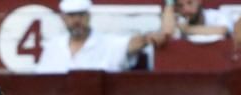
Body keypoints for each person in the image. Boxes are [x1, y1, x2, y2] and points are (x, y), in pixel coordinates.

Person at [35, 0, 165, 73]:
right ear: (63, 19)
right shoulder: (53, 47)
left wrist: (147, 38)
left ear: (88, 16)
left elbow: (131, 44)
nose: (76, 21)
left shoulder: (108, 44)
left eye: (80, 15)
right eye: (71, 16)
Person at [160, 0, 234, 41]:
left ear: (199, 1)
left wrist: (187, 29)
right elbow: (167, 33)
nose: (186, 10)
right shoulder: (178, 21)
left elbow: (222, 30)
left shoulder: (217, 15)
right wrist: (169, 2)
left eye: (190, 3)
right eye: (180, 6)